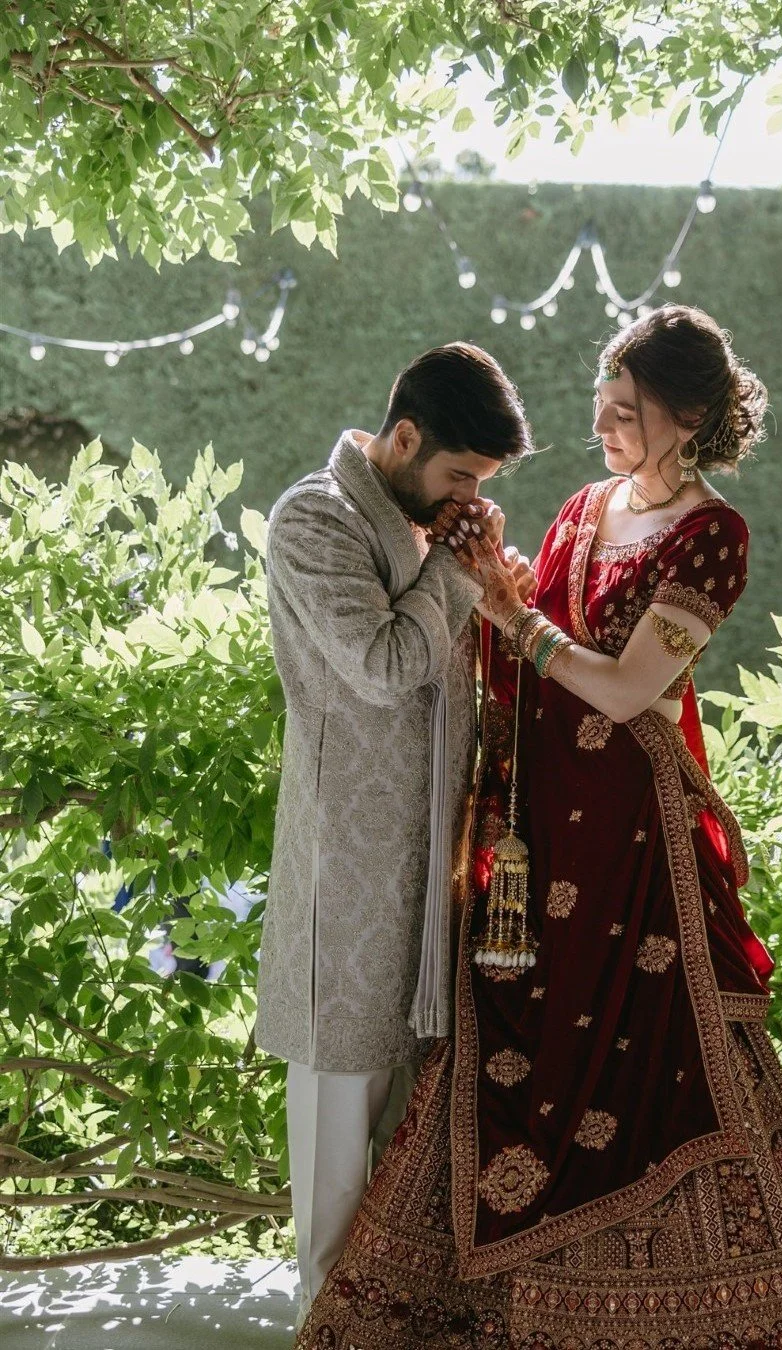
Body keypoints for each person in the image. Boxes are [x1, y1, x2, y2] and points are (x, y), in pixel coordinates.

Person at [296, 306, 782, 1348]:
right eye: (601, 410)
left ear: (690, 419)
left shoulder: (711, 535)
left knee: (654, 1055)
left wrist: (511, 615)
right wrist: (486, 581)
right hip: (533, 838)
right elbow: (506, 656)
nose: (605, 431)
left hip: (636, 847)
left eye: (628, 415)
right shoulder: (578, 510)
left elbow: (631, 687)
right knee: (520, 1049)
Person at [254, 342, 535, 1323]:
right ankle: (323, 1334)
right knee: (339, 1137)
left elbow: (486, 627)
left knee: (415, 1145)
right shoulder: (313, 519)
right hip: (352, 875)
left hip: (438, 874)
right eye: (458, 474)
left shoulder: (433, 527)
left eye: (480, 488)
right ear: (405, 436)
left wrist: (488, 573)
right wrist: (459, 569)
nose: (465, 499)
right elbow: (381, 662)